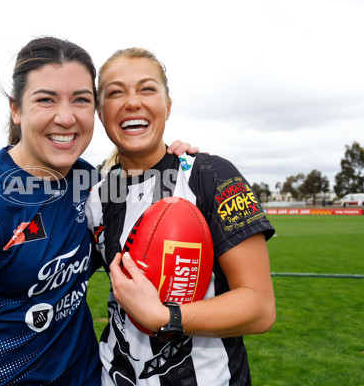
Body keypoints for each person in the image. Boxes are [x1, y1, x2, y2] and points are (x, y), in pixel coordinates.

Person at [0, 37, 197, 386]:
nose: (66, 118)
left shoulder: (93, 186)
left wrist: (174, 159)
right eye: (45, 100)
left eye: (80, 100)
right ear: (16, 109)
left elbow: (150, 219)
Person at [86, 47, 276, 385]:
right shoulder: (96, 196)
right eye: (115, 92)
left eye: (147, 88)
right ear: (101, 113)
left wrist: (164, 316)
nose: (132, 102)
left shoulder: (211, 175)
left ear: (168, 106)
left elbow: (259, 308)